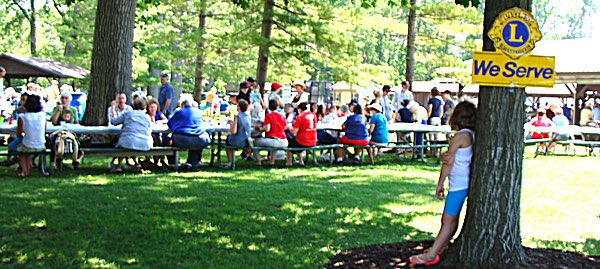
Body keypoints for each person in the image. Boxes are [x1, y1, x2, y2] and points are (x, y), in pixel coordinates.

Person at [409, 101, 476, 266]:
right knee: (452, 219)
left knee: (448, 219)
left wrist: (440, 183)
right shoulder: (471, 135)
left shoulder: (460, 136)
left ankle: (431, 254)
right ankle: (443, 245)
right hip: (462, 182)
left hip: (458, 184)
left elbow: (448, 162)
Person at [110, 97, 154, 172]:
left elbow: (114, 122)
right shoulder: (147, 117)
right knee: (132, 141)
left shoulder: (128, 114)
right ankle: (137, 164)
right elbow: (150, 129)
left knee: (125, 143)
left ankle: (119, 165)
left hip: (128, 142)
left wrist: (112, 110)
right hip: (145, 143)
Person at [168, 98, 211, 171]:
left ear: (182, 105)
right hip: (200, 138)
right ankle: (191, 163)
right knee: (196, 143)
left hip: (183, 138)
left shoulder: (179, 112)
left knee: (171, 140)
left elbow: (170, 124)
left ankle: (174, 163)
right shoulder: (198, 112)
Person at [14, 94, 46, 177]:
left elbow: (18, 134)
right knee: (27, 148)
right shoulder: (43, 116)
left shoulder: (22, 117)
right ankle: (32, 166)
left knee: (22, 150)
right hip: (41, 144)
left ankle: (25, 171)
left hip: (28, 144)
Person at [253, 99, 289, 166]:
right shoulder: (282, 116)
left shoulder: (269, 116)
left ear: (269, 107)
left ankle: (258, 162)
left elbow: (267, 129)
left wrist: (259, 128)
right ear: (277, 106)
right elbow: (285, 127)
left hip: (274, 140)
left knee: (254, 143)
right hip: (284, 141)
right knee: (273, 145)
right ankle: (272, 162)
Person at [286, 102, 317, 167]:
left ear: (299, 109)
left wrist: (288, 128)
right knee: (296, 141)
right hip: (313, 141)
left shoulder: (300, 117)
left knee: (290, 144)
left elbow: (294, 131)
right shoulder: (314, 115)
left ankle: (289, 163)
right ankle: (301, 162)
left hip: (303, 141)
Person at [225, 100, 252, 169]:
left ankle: (230, 162)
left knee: (228, 140)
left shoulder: (237, 117)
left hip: (238, 141)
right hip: (246, 141)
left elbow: (233, 131)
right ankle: (246, 155)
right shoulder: (249, 117)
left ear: (239, 107)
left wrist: (231, 124)